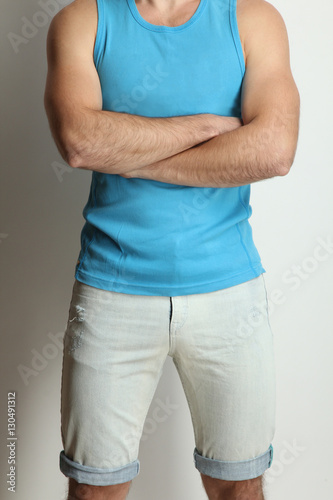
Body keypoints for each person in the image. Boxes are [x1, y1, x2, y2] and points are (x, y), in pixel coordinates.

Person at [44, 0, 300, 498]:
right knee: (95, 489)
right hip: (110, 292)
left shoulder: (253, 19)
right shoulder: (82, 20)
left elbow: (274, 150)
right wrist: (205, 129)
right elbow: (79, 141)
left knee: (238, 486)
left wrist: (130, 156)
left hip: (229, 294)